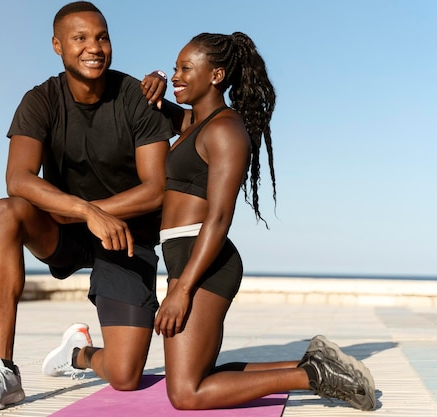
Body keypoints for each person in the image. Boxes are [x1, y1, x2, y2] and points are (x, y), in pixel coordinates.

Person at [146, 32, 377, 411]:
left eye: (186, 68)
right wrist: (153, 79)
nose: (176, 76)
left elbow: (219, 218)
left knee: (186, 393)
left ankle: (313, 377)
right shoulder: (194, 122)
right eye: (174, 68)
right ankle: (315, 363)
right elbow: (154, 102)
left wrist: (182, 290)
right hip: (183, 253)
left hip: (202, 259)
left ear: (217, 75)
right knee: (198, 373)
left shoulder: (225, 130)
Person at [0, 1, 174, 412]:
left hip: (125, 235)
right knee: (5, 211)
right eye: (80, 38)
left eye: (102, 37)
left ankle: (76, 353)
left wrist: (101, 214)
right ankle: (3, 369)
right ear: (58, 45)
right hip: (62, 227)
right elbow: (19, 178)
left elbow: (157, 189)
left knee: (126, 375)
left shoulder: (135, 96)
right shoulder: (41, 99)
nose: (93, 47)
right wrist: (86, 212)